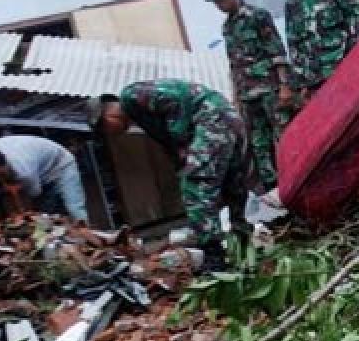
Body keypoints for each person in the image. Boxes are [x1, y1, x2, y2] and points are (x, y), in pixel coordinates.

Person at [86, 81, 249, 270]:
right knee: (232, 182)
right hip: (223, 117)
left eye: (105, 130)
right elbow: (172, 149)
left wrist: (180, 139)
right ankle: (243, 242)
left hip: (210, 117)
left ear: (108, 115)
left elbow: (174, 98)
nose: (111, 135)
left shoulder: (130, 96)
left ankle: (214, 255)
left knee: (195, 186)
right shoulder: (141, 117)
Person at [206, 0, 292, 190]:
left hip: (270, 89)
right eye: (215, 3)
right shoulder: (227, 27)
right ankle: (273, 186)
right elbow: (234, 64)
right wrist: (236, 97)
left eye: (220, 1)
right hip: (247, 95)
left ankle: (294, 175)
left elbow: (277, 52)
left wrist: (284, 86)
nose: (218, 6)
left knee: (283, 135)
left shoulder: (257, 16)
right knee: (258, 143)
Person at [0, 135, 87, 224]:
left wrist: (25, 212)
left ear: (4, 163)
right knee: (46, 215)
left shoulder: (25, 172)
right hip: (41, 171)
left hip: (62, 165)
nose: (1, 179)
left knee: (74, 209)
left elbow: (35, 194)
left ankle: (92, 242)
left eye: (2, 175)